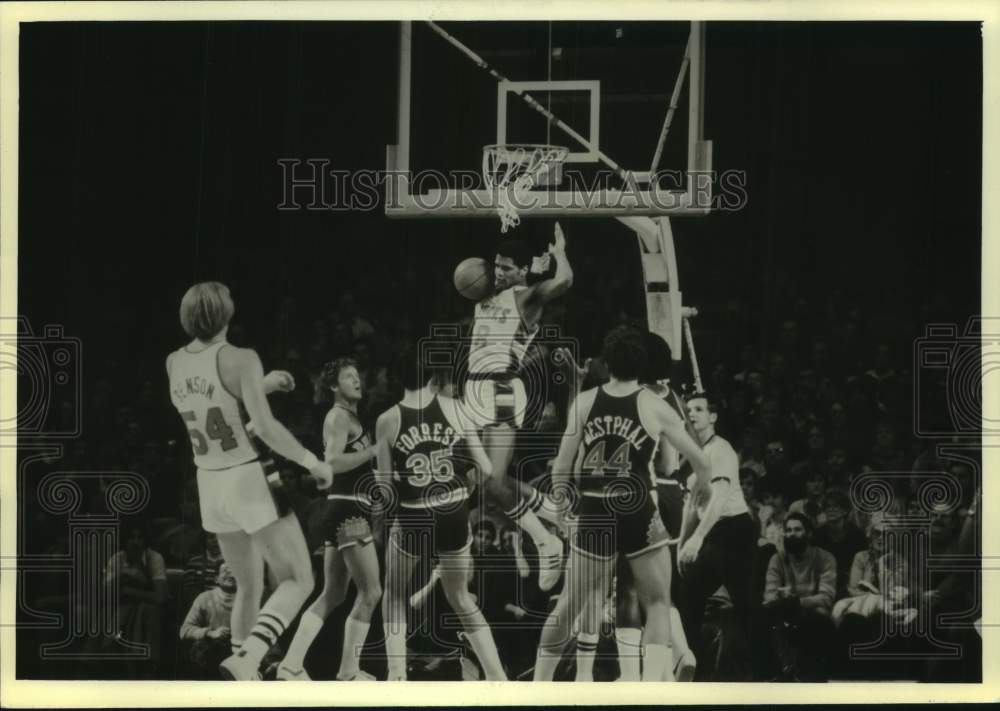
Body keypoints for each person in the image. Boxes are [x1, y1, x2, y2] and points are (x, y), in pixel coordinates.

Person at [167, 282, 331, 680]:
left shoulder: (174, 362)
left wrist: (262, 385)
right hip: (248, 476)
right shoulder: (241, 358)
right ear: (227, 313)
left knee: (248, 585)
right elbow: (265, 427)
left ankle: (244, 676)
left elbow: (216, 402)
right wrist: (313, 463)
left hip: (209, 482)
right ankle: (249, 657)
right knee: (298, 579)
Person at [533, 325, 712, 682]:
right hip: (637, 507)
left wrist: (564, 512)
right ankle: (652, 691)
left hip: (595, 508)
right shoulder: (654, 404)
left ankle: (539, 686)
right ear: (641, 364)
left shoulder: (585, 402)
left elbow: (562, 468)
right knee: (658, 603)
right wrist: (703, 490)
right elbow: (701, 461)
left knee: (568, 605)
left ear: (606, 362)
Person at [377, 342, 507, 681]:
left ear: (396, 379)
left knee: (394, 593)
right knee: (460, 596)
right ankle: (498, 677)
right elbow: (487, 468)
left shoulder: (387, 420)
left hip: (415, 512)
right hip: (453, 510)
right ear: (432, 376)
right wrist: (467, 486)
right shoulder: (455, 407)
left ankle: (396, 676)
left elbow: (386, 488)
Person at [465, 224, 573, 591]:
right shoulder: (486, 294)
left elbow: (565, 281)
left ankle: (546, 542)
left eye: (507, 268)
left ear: (522, 271)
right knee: (481, 482)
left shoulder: (526, 297)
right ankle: (552, 510)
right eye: (496, 265)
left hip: (501, 388)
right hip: (476, 389)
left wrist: (559, 254)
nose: (498, 272)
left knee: (493, 481)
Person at [278, 358, 381, 681]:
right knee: (371, 593)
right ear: (334, 385)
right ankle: (349, 671)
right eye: (349, 377)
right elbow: (333, 462)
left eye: (358, 375)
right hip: (349, 511)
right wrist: (374, 450)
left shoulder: (351, 417)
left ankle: (290, 664)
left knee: (333, 594)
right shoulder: (337, 416)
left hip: (342, 510)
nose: (357, 380)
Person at [675, 393, 755, 680]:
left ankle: (771, 672)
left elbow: (719, 497)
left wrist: (697, 539)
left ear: (713, 417)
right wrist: (681, 546)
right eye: (688, 410)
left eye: (699, 409)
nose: (692, 414)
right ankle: (696, 670)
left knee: (743, 604)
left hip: (734, 529)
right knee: (692, 597)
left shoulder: (721, 449)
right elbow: (690, 507)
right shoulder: (692, 453)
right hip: (714, 531)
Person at [762, 512, 837, 681]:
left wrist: (796, 601)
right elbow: (769, 595)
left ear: (809, 534)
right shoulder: (777, 559)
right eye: (788, 530)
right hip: (784, 612)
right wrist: (786, 601)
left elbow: (826, 597)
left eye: (797, 530)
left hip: (815, 615)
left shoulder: (825, 558)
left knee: (812, 622)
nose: (792, 534)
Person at [104, 524, 168, 678]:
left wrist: (127, 590)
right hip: (123, 604)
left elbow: (160, 597)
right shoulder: (116, 559)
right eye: (131, 538)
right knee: (122, 610)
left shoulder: (154, 558)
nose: (136, 542)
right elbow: (105, 593)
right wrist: (123, 576)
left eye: (140, 538)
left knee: (147, 610)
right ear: (124, 541)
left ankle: (148, 665)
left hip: (149, 605)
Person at [179, 563, 237, 678]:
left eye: (235, 570)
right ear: (216, 579)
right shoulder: (204, 598)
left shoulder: (249, 600)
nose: (231, 574)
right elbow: (184, 630)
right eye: (226, 571)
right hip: (211, 654)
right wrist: (209, 633)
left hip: (238, 654)